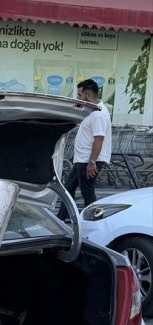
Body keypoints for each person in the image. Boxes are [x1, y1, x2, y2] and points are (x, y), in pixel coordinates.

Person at [57, 78, 112, 221]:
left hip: (89, 160)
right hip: (82, 159)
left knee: (87, 192)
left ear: (88, 95)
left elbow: (99, 139)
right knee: (68, 188)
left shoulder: (98, 114)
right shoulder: (92, 110)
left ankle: (94, 222)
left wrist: (92, 162)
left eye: (79, 95)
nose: (78, 98)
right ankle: (61, 219)